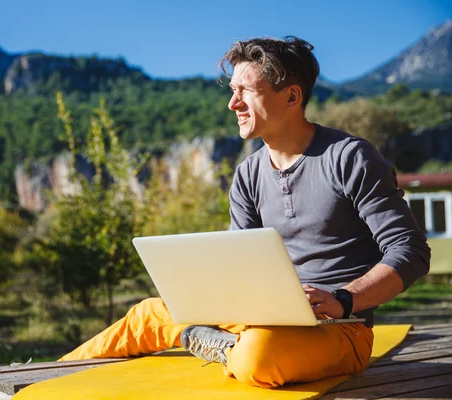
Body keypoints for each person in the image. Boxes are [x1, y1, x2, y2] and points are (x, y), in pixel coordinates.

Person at [59, 36, 430, 388]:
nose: (232, 104)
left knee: (258, 354)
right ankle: (44, 377)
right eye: (232, 91)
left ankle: (213, 343)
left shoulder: (350, 157)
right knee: (148, 314)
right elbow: (241, 265)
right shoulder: (248, 173)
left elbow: (410, 252)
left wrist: (343, 298)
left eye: (246, 91)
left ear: (291, 96)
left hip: (341, 329)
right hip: (262, 318)